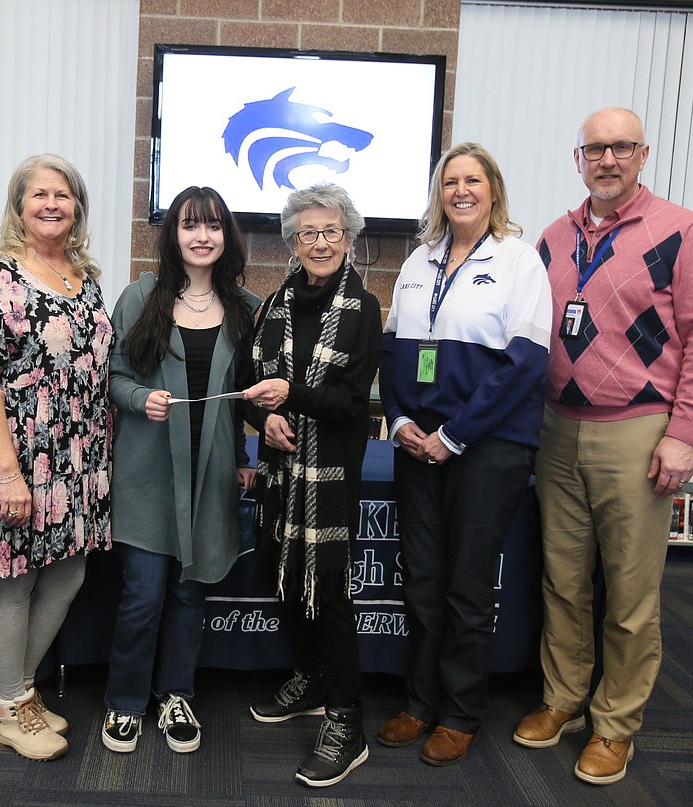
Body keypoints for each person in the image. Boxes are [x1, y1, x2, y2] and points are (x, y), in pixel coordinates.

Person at [512, 108, 693, 785]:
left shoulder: (681, 232)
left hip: (636, 429)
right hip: (556, 427)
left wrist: (684, 433)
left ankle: (616, 722)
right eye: (595, 148)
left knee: (631, 587)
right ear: (577, 158)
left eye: (621, 147)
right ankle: (565, 698)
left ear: (642, 154)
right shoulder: (553, 237)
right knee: (563, 577)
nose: (607, 159)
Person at [376, 143, 553, 766]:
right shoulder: (418, 261)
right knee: (422, 580)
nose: (460, 191)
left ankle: (459, 713)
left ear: (493, 189)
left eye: (472, 180)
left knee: (469, 588)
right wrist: (397, 420)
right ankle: (419, 703)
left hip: (486, 448)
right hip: (416, 444)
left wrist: (454, 435)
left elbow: (524, 364)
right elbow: (393, 350)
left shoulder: (519, 262)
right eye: (450, 181)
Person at [0, 154, 112, 762]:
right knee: (15, 583)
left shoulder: (85, 273)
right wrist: (9, 472)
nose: (51, 204)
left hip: (77, 452)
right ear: (19, 207)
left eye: (62, 195)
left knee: (68, 572)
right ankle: (6, 705)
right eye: (38, 194)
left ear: (77, 208)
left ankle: (19, 691)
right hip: (12, 451)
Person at [101, 187, 260, 755]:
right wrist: (140, 397)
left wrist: (243, 460)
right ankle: (125, 702)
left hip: (209, 474)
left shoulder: (243, 306)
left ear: (226, 236)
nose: (201, 236)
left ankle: (175, 695)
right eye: (190, 225)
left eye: (213, 226)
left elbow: (242, 401)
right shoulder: (141, 295)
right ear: (172, 235)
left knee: (191, 596)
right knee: (143, 596)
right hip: (147, 473)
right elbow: (114, 376)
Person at [242, 183, 381, 787]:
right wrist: (263, 419)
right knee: (279, 571)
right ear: (292, 242)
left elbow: (352, 404)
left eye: (330, 232)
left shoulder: (363, 308)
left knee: (326, 591)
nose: (319, 243)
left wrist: (291, 397)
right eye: (307, 233)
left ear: (347, 238)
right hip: (278, 474)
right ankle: (311, 680)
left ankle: (347, 722)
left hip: (327, 480)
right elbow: (252, 387)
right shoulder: (272, 304)